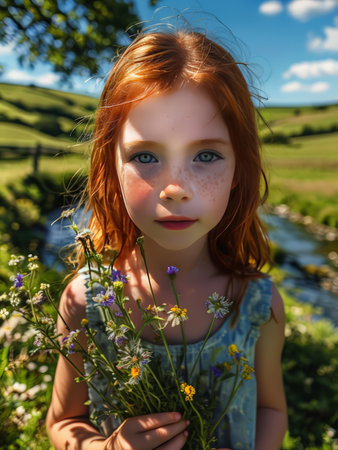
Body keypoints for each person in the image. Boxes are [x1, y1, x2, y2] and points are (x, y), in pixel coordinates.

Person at [46, 29, 288, 450]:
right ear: (111, 169)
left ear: (238, 172)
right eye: (145, 156)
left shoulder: (257, 305)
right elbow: (64, 420)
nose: (175, 188)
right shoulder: (87, 301)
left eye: (206, 155)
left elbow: (271, 410)